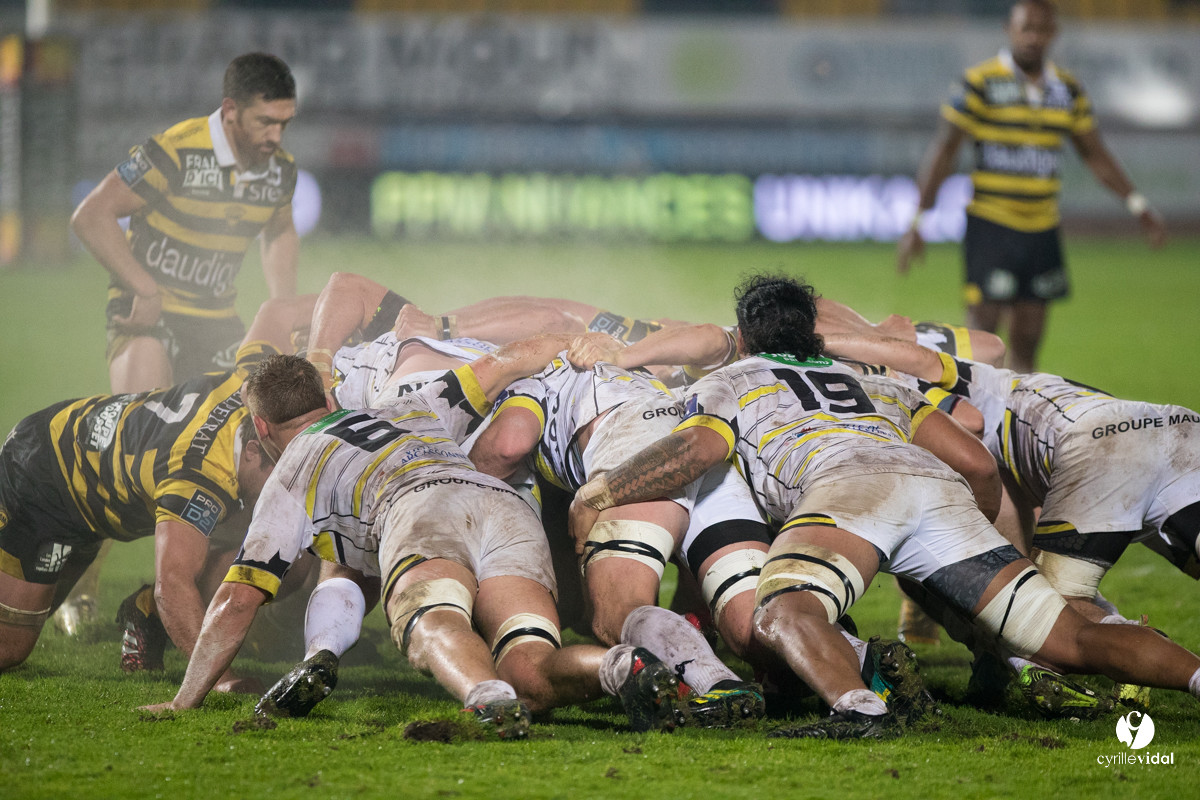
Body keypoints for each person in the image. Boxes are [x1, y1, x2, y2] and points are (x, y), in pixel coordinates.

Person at [570, 273, 1200, 739]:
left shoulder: (734, 377)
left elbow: (697, 451)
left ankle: (858, 706)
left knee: (781, 611)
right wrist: (966, 540)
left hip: (849, 493)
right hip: (937, 490)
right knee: (1073, 635)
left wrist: (603, 490)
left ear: (746, 335)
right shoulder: (876, 382)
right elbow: (977, 462)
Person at [142, 347, 689, 737]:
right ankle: (620, 667)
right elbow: (502, 362)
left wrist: (183, 698)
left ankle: (487, 699)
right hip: (503, 504)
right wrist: (567, 342)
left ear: (261, 428)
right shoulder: (414, 405)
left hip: (420, 512)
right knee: (531, 667)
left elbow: (238, 600)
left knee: (432, 624)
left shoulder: (292, 471)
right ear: (326, 397)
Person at [0, 295, 313, 679]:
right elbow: (174, 585)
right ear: (252, 451)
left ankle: (144, 610)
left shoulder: (253, 386)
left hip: (86, 488)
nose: (284, 490)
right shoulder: (197, 477)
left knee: (288, 551)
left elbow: (277, 311)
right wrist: (219, 681)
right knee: (9, 647)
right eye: (280, 476)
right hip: (42, 479)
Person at [467, 339, 767, 728]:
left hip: (634, 454)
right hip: (703, 453)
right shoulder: (626, 362)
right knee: (752, 622)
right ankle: (856, 666)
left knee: (618, 609)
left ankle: (718, 684)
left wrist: (458, 476)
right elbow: (710, 338)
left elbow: (508, 446)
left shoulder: (529, 381)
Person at [896, 0, 1166, 373]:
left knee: (1027, 343)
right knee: (982, 339)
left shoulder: (1068, 92)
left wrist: (1137, 204)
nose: (1033, 38)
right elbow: (944, 151)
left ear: (1053, 34)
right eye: (1026, 29)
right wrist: (918, 220)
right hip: (992, 226)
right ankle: (973, 423)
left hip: (1041, 230)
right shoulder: (980, 83)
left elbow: (1095, 154)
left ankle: (1017, 424)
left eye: (1041, 30)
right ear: (1009, 29)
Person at [71, 52, 299, 394]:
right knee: (147, 428)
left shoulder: (280, 170)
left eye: (284, 124)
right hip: (148, 315)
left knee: (251, 429)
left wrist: (285, 311)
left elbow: (279, 230)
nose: (276, 136)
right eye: (265, 121)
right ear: (231, 110)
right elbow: (91, 215)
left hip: (217, 321)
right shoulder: (177, 152)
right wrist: (145, 288)